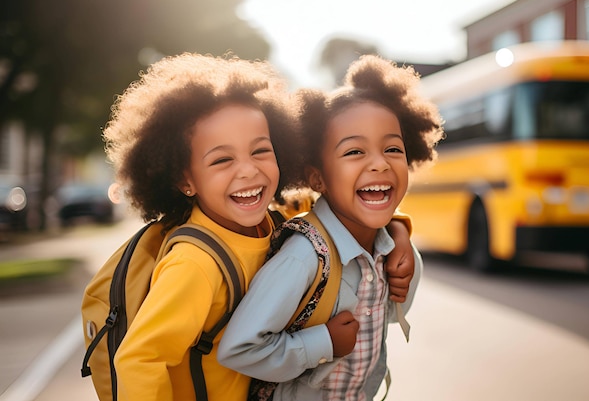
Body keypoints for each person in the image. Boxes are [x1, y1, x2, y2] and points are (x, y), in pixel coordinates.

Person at [104, 52, 416, 401]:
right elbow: (139, 359)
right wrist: (322, 342)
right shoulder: (194, 265)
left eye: (260, 151)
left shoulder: (270, 216)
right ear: (184, 178)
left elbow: (348, 207)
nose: (248, 171)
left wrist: (399, 231)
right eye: (222, 159)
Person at [218, 55, 444, 401]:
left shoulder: (387, 249)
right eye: (354, 151)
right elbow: (239, 349)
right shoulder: (304, 257)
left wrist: (401, 239)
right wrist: (322, 343)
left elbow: (397, 316)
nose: (380, 163)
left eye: (393, 149)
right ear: (317, 177)